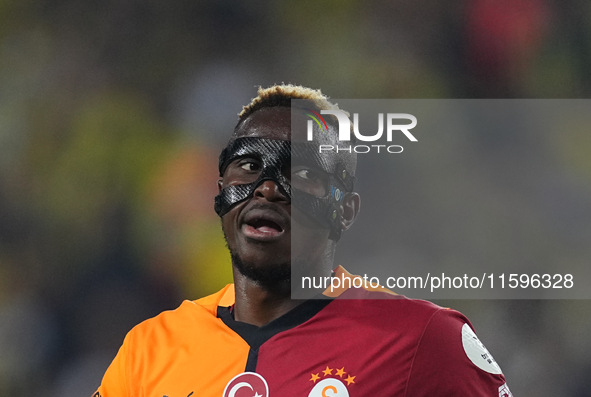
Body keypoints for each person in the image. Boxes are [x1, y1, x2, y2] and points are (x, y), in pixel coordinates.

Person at [94, 84, 512, 396]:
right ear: (221, 191)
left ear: (345, 211)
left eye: (304, 173)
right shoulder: (149, 348)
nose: (268, 187)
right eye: (249, 165)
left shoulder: (423, 338)